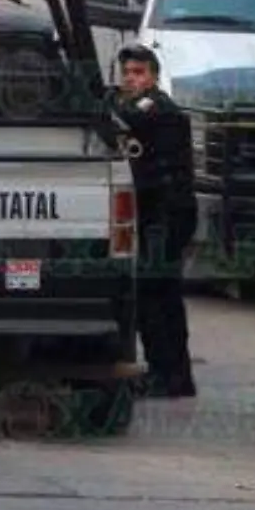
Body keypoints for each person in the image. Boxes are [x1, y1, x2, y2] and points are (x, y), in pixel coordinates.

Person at [111, 44, 198, 399]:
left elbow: (132, 121)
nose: (131, 79)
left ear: (154, 76)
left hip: (167, 215)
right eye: (127, 73)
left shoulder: (159, 110)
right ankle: (169, 373)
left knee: (156, 296)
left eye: (139, 73)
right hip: (155, 215)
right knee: (158, 296)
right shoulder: (135, 108)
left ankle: (170, 376)